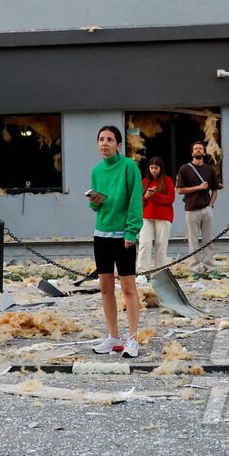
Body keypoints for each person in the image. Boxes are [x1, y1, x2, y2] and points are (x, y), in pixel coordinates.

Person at [87, 126, 144, 357]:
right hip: (101, 233)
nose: (105, 143)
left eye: (110, 140)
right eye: (101, 139)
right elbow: (94, 206)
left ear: (119, 145)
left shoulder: (129, 167)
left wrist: (132, 231)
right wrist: (94, 200)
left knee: (128, 288)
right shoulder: (97, 170)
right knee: (105, 288)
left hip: (123, 236)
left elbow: (135, 200)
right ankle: (113, 337)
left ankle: (132, 338)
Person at [176, 141, 219, 276]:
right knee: (193, 242)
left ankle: (209, 267)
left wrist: (210, 205)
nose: (198, 151)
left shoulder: (210, 170)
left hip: (206, 209)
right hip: (191, 209)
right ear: (192, 152)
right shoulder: (185, 169)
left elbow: (215, 190)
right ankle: (194, 269)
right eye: (196, 149)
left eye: (200, 148)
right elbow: (180, 190)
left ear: (204, 152)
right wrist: (198, 187)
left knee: (208, 240)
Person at [137, 154, 175, 279]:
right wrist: (146, 196)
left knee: (161, 245)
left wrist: (155, 195)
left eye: (156, 168)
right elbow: (139, 200)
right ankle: (142, 272)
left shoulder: (168, 180)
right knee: (144, 243)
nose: (153, 170)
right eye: (152, 168)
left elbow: (171, 198)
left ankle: (160, 273)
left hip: (163, 216)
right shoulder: (144, 181)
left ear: (161, 168)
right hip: (147, 215)